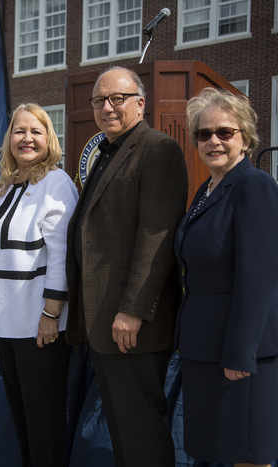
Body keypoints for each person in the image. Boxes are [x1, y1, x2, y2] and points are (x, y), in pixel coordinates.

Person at [65, 66, 189, 467]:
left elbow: (156, 237)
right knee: (123, 431)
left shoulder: (157, 149)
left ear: (140, 102)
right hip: (103, 318)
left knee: (140, 432)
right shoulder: (107, 151)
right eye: (99, 100)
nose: (107, 107)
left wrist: (133, 309)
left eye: (117, 98)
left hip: (131, 322)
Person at [174, 87, 278, 466]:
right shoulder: (205, 191)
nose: (214, 141)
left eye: (225, 132)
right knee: (218, 449)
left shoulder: (255, 185)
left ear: (246, 138)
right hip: (205, 347)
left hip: (241, 350)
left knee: (249, 454)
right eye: (204, 134)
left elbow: (258, 279)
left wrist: (240, 351)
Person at [0, 103, 78, 467]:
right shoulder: (5, 186)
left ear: (49, 138)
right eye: (19, 131)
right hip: (9, 325)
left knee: (44, 420)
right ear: (9, 139)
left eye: (36, 131)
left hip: (40, 325)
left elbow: (62, 256)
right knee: (22, 417)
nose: (27, 138)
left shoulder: (56, 183)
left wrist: (51, 314)